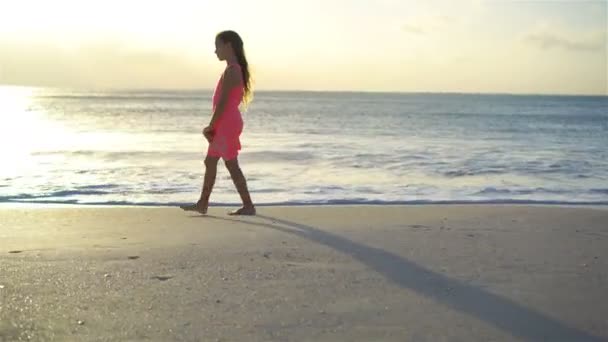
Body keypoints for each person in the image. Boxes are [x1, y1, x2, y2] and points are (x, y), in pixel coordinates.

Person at [181, 30, 255, 215]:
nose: (215, 51)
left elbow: (222, 103)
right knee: (212, 161)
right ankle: (203, 203)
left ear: (228, 46)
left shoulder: (232, 70)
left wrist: (211, 126)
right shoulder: (234, 69)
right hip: (227, 122)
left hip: (226, 122)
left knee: (229, 163)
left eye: (217, 46)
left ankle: (247, 205)